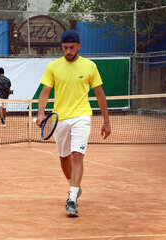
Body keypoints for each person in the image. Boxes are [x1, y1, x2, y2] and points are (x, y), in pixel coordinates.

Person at [36, 30, 111, 217]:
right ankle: (74, 185)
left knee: (77, 155)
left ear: (78, 46)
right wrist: (40, 113)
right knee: (64, 158)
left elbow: (99, 94)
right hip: (59, 118)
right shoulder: (53, 66)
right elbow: (45, 91)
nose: (68, 51)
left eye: (71, 47)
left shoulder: (90, 66)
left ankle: (72, 198)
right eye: (65, 48)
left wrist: (106, 121)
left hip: (82, 116)